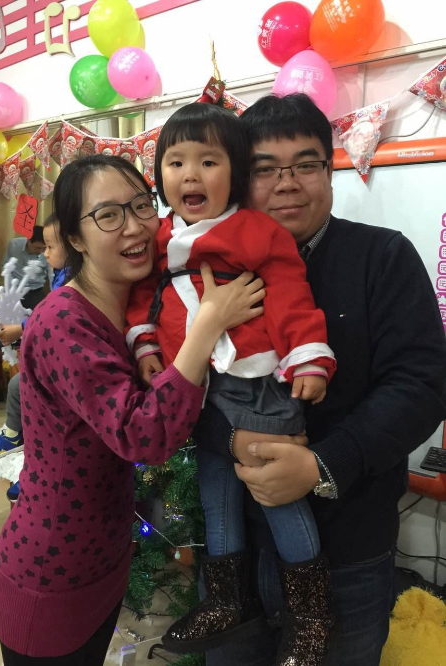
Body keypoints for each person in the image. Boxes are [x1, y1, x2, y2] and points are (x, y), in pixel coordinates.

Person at [193, 93, 446, 666]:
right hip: (236, 548)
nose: (287, 184)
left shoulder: (382, 256)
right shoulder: (211, 270)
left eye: (305, 164)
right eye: (265, 169)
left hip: (348, 552)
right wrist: (230, 440)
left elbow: (420, 384)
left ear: (329, 170)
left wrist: (322, 465)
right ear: (241, 180)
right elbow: (184, 382)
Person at [0, 154, 265, 666]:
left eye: (141, 205)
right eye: (108, 215)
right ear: (74, 238)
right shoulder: (63, 320)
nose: (135, 226)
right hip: (49, 575)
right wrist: (207, 326)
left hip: (104, 559)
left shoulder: (132, 307)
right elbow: (144, 435)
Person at [125, 102, 336, 661]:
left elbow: (289, 291)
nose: (190, 175)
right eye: (176, 162)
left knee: (277, 496)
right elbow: (143, 297)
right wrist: (145, 343)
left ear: (235, 173)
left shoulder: (255, 230)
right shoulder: (160, 236)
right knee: (214, 491)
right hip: (196, 384)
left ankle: (311, 616)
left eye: (208, 161)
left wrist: (307, 356)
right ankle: (225, 598)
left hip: (254, 381)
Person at [0, 215, 70, 507]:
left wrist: (22, 329)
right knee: (18, 387)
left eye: (50, 247)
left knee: (34, 405)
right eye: (43, 247)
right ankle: (19, 443)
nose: (44, 254)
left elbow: (53, 316)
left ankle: (38, 471)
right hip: (52, 359)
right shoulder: (61, 275)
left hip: (65, 371)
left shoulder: (75, 282)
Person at [2, 227, 52, 311]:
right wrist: (10, 290)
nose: (40, 251)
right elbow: (6, 267)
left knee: (38, 315)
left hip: (36, 290)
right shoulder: (14, 245)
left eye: (43, 248)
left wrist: (55, 294)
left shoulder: (48, 252)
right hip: (15, 289)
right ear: (28, 241)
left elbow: (52, 275)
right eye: (37, 248)